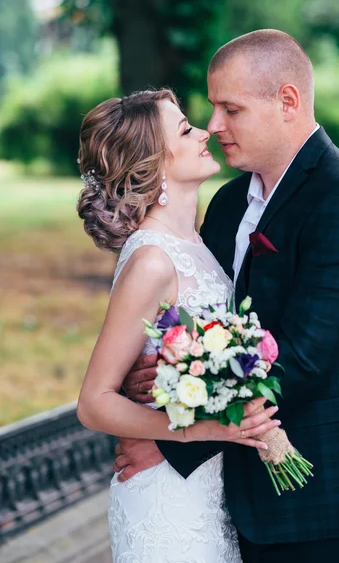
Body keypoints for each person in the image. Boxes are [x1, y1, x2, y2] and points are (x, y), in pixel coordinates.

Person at [118, 30, 339, 562]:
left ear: (287, 102)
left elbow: (302, 358)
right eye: (212, 108)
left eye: (232, 109)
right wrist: (162, 372)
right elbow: (207, 328)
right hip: (241, 494)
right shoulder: (226, 204)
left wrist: (170, 436)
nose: (215, 125)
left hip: (331, 497)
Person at [76, 88, 281, 562]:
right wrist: (200, 431)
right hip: (166, 503)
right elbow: (94, 403)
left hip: (213, 492)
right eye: (186, 129)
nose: (206, 131)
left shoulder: (199, 244)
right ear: (152, 163)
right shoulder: (152, 259)